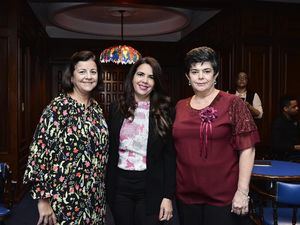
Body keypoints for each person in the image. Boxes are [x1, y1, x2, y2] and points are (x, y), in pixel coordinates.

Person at [173, 46, 260, 225]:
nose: (201, 76)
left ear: (216, 75)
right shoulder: (180, 106)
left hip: (222, 196)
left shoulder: (233, 103)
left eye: (206, 71)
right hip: (186, 194)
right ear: (187, 77)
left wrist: (242, 192)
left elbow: (248, 148)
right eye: (194, 71)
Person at [23, 51, 109, 225]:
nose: (88, 76)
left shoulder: (96, 109)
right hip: (63, 199)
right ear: (72, 77)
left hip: (94, 198)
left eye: (93, 72)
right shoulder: (57, 108)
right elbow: (39, 152)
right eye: (82, 71)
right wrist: (43, 199)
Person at [106, 57, 176, 225]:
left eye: (151, 77)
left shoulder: (165, 110)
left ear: (156, 82)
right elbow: (109, 149)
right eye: (140, 74)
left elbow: (170, 157)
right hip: (120, 185)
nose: (144, 81)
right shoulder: (117, 107)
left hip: (151, 185)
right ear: (132, 77)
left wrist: (168, 196)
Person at [271, 95, 300, 160]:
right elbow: (276, 145)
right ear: (285, 109)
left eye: (297, 106)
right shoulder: (278, 123)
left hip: (295, 154)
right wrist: (296, 147)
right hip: (284, 157)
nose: (297, 108)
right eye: (294, 107)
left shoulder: (295, 120)